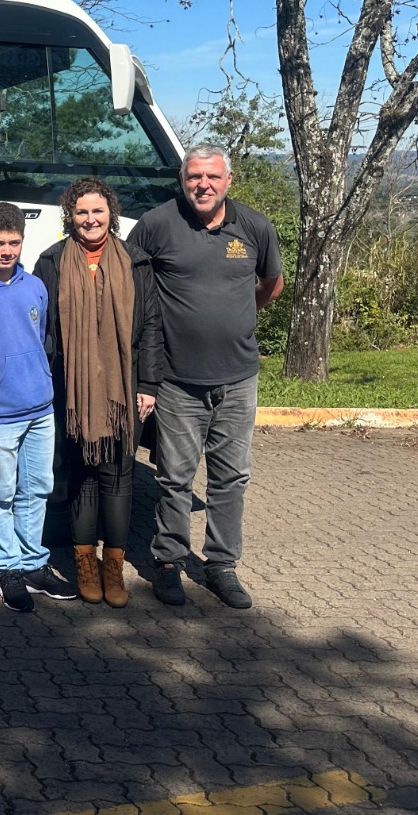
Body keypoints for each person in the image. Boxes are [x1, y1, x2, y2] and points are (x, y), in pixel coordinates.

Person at [127, 144, 284, 609]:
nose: (203, 185)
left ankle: (221, 566)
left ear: (228, 181)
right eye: (194, 176)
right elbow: (128, 282)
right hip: (176, 379)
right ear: (183, 180)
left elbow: (271, 284)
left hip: (238, 378)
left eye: (213, 177)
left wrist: (235, 320)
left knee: (231, 477)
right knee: (174, 478)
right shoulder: (157, 224)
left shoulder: (254, 226)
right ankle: (168, 563)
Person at [32, 181, 164, 608]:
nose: (90, 219)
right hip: (72, 390)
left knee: (118, 475)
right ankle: (84, 563)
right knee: (82, 475)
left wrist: (148, 385)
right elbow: (42, 328)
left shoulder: (137, 262)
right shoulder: (51, 262)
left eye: (98, 212)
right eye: (82, 212)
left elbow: (152, 329)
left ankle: (113, 565)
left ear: (112, 214)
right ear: (70, 215)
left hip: (123, 389)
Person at [0, 203, 77, 614]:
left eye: (14, 242)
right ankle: (8, 568)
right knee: (1, 492)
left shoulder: (34, 286)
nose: (6, 250)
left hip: (40, 407)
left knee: (37, 489)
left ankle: (33, 563)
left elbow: (42, 335)